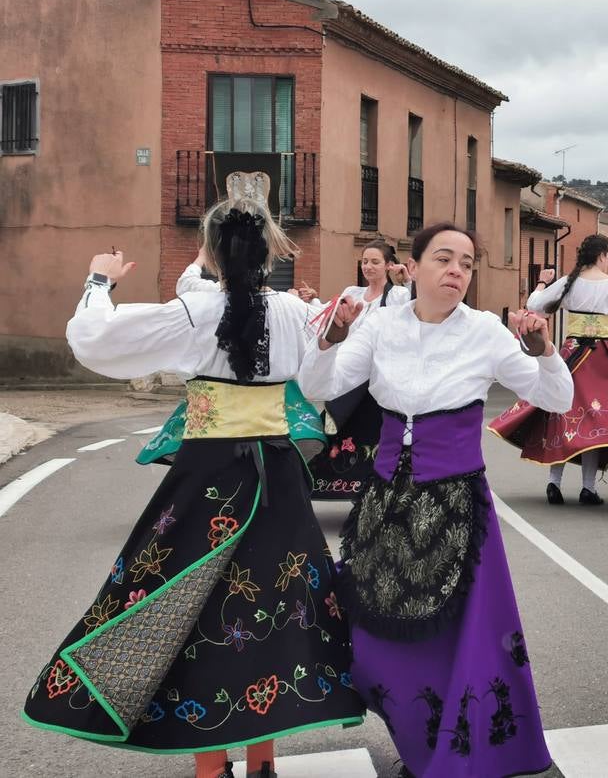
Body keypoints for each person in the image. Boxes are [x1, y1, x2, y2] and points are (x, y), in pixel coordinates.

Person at [23, 177, 364, 778]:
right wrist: (332, 335)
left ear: (208, 253)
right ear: (271, 251)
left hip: (209, 473)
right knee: (280, 609)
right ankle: (263, 763)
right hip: (277, 472)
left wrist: (99, 282)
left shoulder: (194, 309)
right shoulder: (293, 312)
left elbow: (97, 340)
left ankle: (212, 766)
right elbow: (316, 387)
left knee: (189, 608)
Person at [298, 222, 571, 778]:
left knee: (459, 638)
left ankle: (453, 753)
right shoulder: (379, 328)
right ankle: (417, 736)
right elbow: (316, 385)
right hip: (385, 501)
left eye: (466, 263)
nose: (456, 271)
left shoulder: (487, 334)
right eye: (443, 258)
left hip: (458, 504)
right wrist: (329, 340)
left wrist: (543, 352)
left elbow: (556, 396)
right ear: (413, 267)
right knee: (373, 629)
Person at [489, 234, 608, 506]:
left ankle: (554, 483)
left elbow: (534, 304)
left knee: (562, 414)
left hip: (572, 355)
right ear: (602, 256)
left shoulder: (569, 281)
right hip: (603, 359)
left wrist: (542, 280)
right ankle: (588, 488)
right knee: (598, 421)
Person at [302, 239, 410, 501]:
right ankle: (335, 482)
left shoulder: (397, 296)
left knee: (372, 433)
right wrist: (312, 299)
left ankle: (373, 489)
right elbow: (332, 317)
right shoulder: (353, 292)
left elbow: (415, 312)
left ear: (388, 265)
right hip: (348, 377)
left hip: (377, 380)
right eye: (364, 261)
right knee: (339, 429)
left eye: (375, 261)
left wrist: (407, 282)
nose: (368, 267)